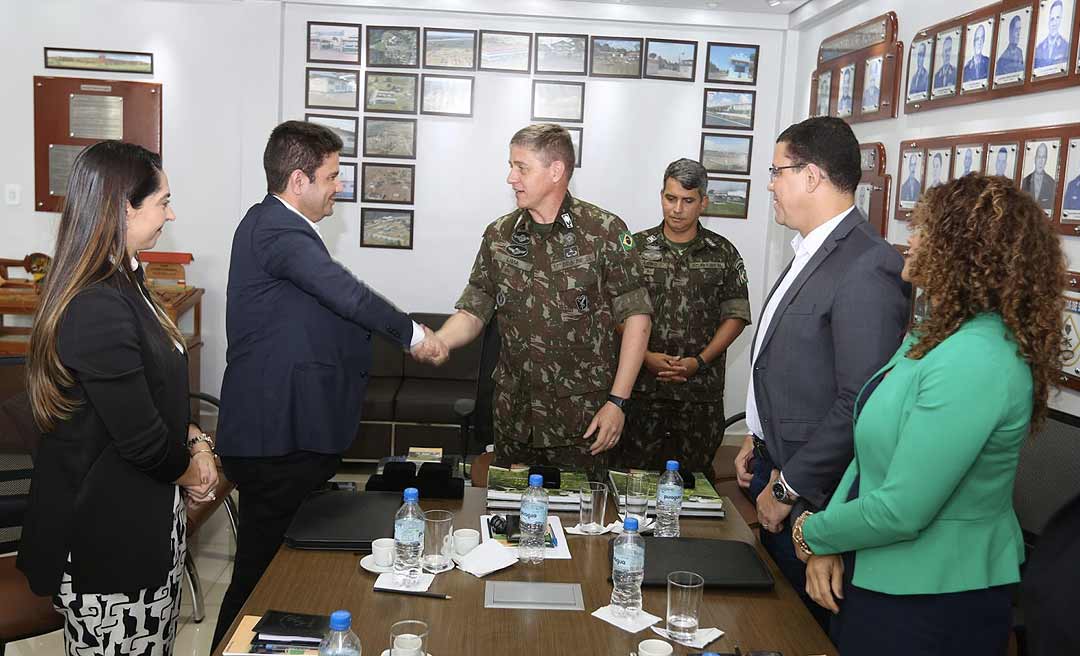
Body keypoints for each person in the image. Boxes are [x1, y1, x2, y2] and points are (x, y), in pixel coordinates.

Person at [792, 174, 1065, 656]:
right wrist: (830, 537)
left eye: (926, 230)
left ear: (966, 252)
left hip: (933, 602)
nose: (910, 240)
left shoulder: (977, 358)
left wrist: (810, 531)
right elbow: (866, 452)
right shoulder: (933, 336)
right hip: (878, 576)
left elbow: (902, 510)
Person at [212, 121, 446, 646]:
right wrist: (412, 334)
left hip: (294, 435)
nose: (338, 186)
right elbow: (346, 295)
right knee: (257, 578)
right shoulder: (275, 228)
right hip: (275, 438)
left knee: (288, 574)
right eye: (332, 176)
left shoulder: (283, 230)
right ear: (299, 180)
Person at [17, 141, 218, 655]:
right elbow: (144, 441)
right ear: (123, 207)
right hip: (108, 539)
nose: (171, 213)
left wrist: (196, 440)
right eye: (162, 201)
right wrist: (196, 472)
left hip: (143, 521)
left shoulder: (128, 280)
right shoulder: (97, 303)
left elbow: (156, 397)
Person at [732, 116, 910, 628]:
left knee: (799, 631)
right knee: (768, 620)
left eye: (777, 171)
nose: (769, 184)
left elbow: (859, 402)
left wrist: (789, 487)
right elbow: (791, 366)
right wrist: (757, 435)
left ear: (811, 176)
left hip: (815, 498)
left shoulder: (866, 265)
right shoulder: (812, 250)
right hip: (777, 467)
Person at [434, 123, 652, 478]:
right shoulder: (499, 235)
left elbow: (638, 319)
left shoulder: (604, 232)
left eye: (521, 167)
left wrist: (617, 402)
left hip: (582, 422)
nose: (511, 178)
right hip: (514, 418)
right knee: (509, 522)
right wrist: (440, 340)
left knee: (583, 524)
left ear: (555, 171)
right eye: (511, 165)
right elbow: (475, 309)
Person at [620, 159, 750, 476]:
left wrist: (700, 362)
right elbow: (617, 313)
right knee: (632, 480)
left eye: (688, 200)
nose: (677, 209)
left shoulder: (723, 252)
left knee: (693, 483)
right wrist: (646, 356)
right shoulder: (634, 248)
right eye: (670, 198)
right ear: (662, 196)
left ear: (703, 202)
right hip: (642, 392)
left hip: (699, 397)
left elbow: (735, 316)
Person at [1021, 142, 1057, 211]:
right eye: (1039, 157)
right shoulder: (1025, 181)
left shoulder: (1052, 183)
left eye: (1043, 157)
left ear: (1046, 160)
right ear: (1035, 159)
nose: (1040, 161)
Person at [1034, 0, 1069, 69]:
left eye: (1057, 18)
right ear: (1048, 20)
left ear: (1061, 20)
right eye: (1052, 19)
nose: (1054, 23)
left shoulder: (1066, 46)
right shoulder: (1039, 48)